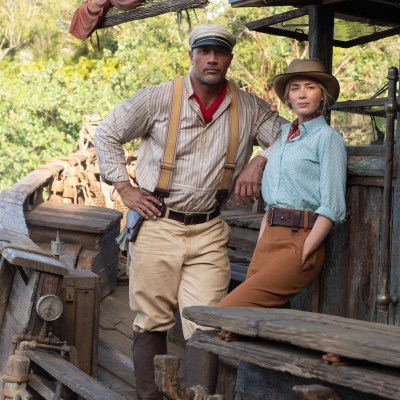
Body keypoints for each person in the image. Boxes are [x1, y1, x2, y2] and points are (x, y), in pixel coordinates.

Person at [94, 24, 285, 400]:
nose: (212, 59)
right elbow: (107, 133)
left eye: (220, 52)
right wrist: (125, 188)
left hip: (209, 229)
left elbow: (291, 138)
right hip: (157, 223)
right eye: (204, 51)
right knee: (152, 320)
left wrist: (260, 162)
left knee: (206, 323)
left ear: (230, 58)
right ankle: (149, 396)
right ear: (192, 55)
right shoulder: (159, 98)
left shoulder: (248, 107)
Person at [218, 58, 347, 323]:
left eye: (310, 87)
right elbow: (272, 201)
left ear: (322, 94)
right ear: (287, 96)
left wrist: (305, 249)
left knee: (226, 313)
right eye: (295, 87)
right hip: (269, 238)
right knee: (263, 326)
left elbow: (332, 206)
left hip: (300, 239)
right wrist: (262, 241)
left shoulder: (328, 139)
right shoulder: (283, 136)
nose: (302, 94)